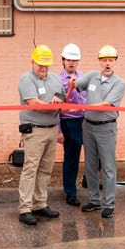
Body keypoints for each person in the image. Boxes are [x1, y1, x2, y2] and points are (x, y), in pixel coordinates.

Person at [74, 45, 125, 219]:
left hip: (106, 127)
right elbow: (76, 87)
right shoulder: (91, 77)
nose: (107, 64)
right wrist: (71, 83)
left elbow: (107, 104)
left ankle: (109, 204)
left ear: (116, 62)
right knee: (90, 164)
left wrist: (82, 107)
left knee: (108, 167)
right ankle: (94, 200)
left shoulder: (119, 83)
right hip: (88, 125)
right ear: (100, 62)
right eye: (104, 60)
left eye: (111, 60)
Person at [17, 45, 65, 225]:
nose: (43, 70)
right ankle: (25, 208)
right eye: (40, 66)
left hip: (52, 128)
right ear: (32, 62)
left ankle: (40, 203)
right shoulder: (26, 79)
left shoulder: (54, 78)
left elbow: (61, 95)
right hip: (34, 130)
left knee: (45, 168)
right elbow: (34, 103)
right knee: (30, 168)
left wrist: (60, 100)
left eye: (46, 66)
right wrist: (53, 106)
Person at [57, 43, 86, 206]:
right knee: (71, 158)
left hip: (85, 120)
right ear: (63, 60)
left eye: (74, 60)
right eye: (68, 59)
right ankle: (70, 192)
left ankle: (89, 180)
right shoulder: (57, 80)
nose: (71, 62)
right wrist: (59, 131)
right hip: (68, 122)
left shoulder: (84, 77)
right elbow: (56, 107)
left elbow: (88, 98)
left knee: (96, 155)